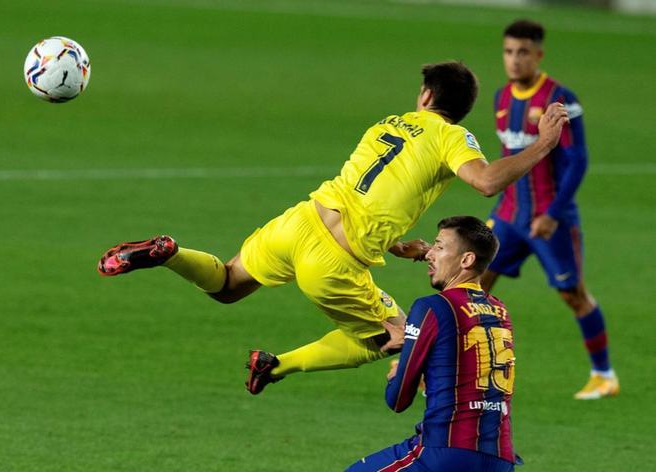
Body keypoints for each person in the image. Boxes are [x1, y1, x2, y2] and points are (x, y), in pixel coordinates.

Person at [98, 62, 567, 395]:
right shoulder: (453, 136)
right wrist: (543, 145)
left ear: (425, 97)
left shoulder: (391, 122)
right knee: (395, 337)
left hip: (301, 220)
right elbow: (485, 182)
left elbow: (386, 187)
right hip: (334, 259)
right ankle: (276, 366)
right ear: (459, 110)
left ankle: (170, 252)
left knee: (226, 282)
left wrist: (407, 245)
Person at [483, 19, 618, 400]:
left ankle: (604, 375)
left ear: (538, 55)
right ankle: (448, 371)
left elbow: (577, 161)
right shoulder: (500, 98)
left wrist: (554, 213)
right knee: (472, 288)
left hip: (549, 218)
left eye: (523, 52)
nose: (514, 60)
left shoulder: (561, 100)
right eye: (509, 51)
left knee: (573, 294)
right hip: (508, 214)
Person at [347, 216, 517, 472]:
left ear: (466, 259)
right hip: (499, 459)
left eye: (439, 246)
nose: (429, 254)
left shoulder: (433, 307)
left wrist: (397, 374)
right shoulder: (499, 311)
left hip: (444, 453)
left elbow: (398, 400)